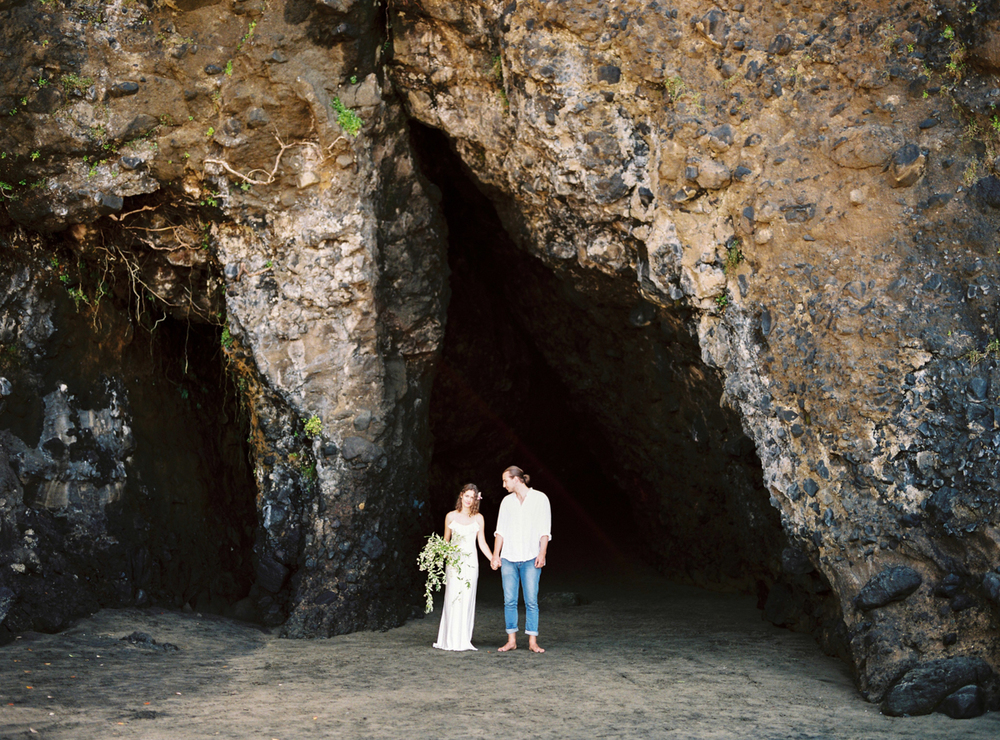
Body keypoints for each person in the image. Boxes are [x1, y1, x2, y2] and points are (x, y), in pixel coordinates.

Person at [491, 465, 551, 653]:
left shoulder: (540, 498)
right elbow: (500, 531)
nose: (503, 485)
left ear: (516, 479)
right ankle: (511, 640)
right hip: (509, 556)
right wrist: (495, 555)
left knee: (531, 600)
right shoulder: (506, 502)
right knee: (509, 600)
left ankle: (532, 641)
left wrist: (542, 553)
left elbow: (544, 530)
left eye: (505, 480)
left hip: (531, 557)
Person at [433, 483, 493, 651]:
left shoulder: (479, 518)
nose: (469, 500)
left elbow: (482, 542)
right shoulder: (450, 516)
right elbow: (446, 540)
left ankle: (463, 639)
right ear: (461, 495)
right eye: (467, 496)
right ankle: (449, 639)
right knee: (452, 597)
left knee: (467, 598)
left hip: (471, 563)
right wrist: (438, 554)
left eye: (472, 497)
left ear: (476, 500)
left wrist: (492, 559)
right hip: (453, 562)